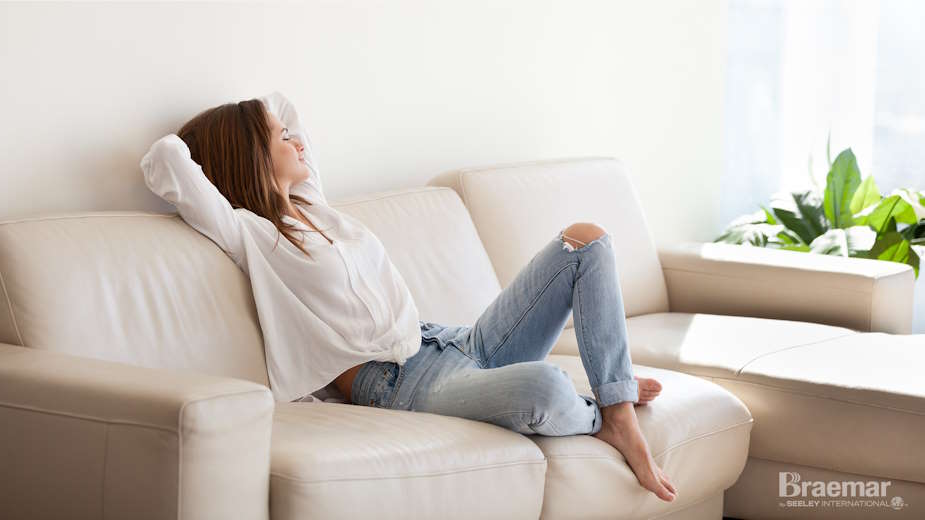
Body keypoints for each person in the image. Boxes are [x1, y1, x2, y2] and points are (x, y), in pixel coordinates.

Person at [140, 91, 678, 502]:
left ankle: (615, 398)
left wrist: (263, 123)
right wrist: (229, 134)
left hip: (450, 342)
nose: (297, 141)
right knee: (546, 387)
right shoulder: (249, 235)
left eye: (289, 135)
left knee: (585, 241)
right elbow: (166, 160)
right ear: (253, 155)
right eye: (282, 139)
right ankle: (607, 411)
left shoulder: (315, 205)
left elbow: (283, 102)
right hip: (393, 383)